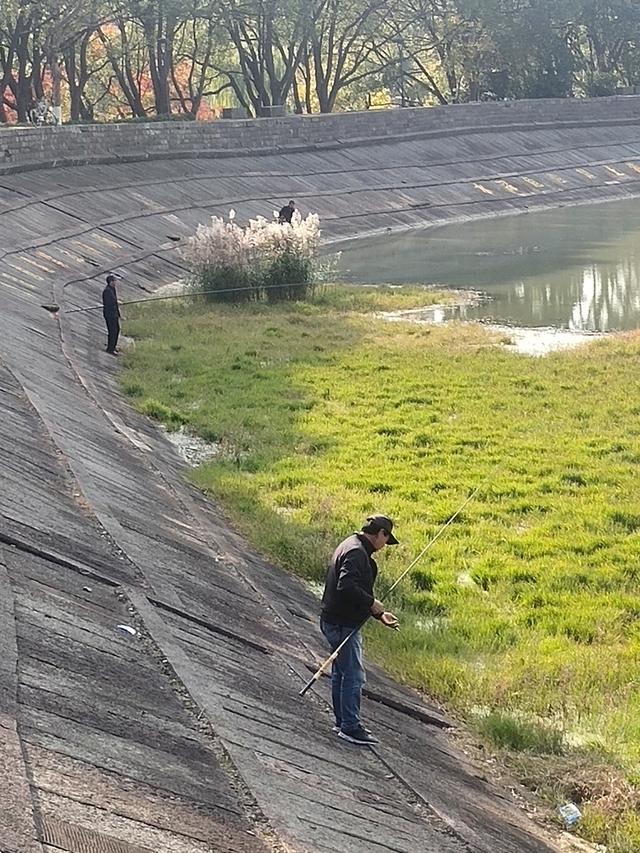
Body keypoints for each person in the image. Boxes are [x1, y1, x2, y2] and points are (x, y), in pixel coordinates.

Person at [320, 515, 400, 745]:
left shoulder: (352, 545)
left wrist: (379, 615)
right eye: (386, 538)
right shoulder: (356, 552)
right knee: (354, 675)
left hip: (336, 620)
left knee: (342, 672)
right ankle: (350, 726)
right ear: (380, 534)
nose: (385, 545)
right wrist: (372, 603)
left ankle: (342, 721)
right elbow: (346, 585)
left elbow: (350, 588)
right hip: (341, 624)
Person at [102, 274, 121, 355]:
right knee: (112, 331)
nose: (115, 283)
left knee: (117, 329)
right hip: (109, 314)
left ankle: (113, 346)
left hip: (114, 314)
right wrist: (116, 302)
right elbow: (108, 303)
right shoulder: (107, 291)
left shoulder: (113, 289)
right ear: (111, 282)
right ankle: (110, 348)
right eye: (114, 281)